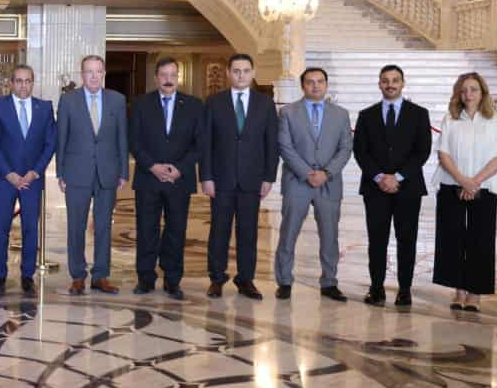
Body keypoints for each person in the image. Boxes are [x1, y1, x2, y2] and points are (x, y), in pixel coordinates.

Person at [432, 72, 497, 312]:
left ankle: (475, 292)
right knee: (451, 238)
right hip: (452, 184)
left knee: (481, 239)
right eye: (464, 90)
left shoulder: (495, 120)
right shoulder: (450, 118)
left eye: (473, 89)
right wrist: (462, 180)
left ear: (482, 93)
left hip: (485, 186)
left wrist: (474, 182)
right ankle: (459, 289)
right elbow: (443, 153)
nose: (468, 94)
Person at [199, 53, 279, 299]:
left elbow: (272, 143)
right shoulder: (214, 102)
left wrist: (269, 177)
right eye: (236, 71)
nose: (241, 75)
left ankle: (246, 280)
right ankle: (216, 278)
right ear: (228, 73)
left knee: (248, 232)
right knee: (219, 231)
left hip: (251, 180)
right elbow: (206, 142)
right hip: (221, 179)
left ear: (253, 73)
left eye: (245, 71)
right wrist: (206, 176)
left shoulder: (265, 104)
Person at [352, 64, 431, 308]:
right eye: (385, 80)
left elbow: (423, 151)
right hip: (375, 188)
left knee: (407, 239)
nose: (390, 84)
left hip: (408, 187)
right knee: (377, 240)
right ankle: (376, 288)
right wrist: (380, 177)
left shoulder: (419, 114)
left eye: (395, 80)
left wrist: (398, 176)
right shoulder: (366, 115)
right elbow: (360, 151)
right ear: (379, 84)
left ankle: (404, 289)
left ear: (402, 83)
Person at [273, 67, 353, 301]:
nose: (315, 86)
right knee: (288, 233)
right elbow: (285, 146)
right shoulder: (288, 112)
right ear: (303, 86)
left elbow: (345, 148)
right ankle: (284, 281)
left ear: (326, 85)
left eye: (320, 81)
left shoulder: (341, 114)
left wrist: (326, 173)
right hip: (297, 181)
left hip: (329, 183)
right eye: (310, 82)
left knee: (330, 235)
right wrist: (307, 173)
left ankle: (329, 282)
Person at [130, 56, 204, 299]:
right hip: (148, 178)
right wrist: (153, 166)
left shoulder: (194, 105)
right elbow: (134, 141)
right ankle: (145, 279)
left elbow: (199, 144)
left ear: (178, 77)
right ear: (156, 78)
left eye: (173, 75)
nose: (168, 80)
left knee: (176, 231)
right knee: (146, 230)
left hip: (179, 180)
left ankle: (173, 280)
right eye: (164, 75)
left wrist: (179, 168)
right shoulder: (141, 104)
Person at [55, 54, 128, 295]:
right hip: (76, 172)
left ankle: (101, 276)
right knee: (76, 226)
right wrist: (61, 172)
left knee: (104, 226)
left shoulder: (117, 100)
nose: (94, 76)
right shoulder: (68, 100)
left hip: (108, 172)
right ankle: (77, 276)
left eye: (98, 71)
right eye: (89, 71)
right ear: (82, 75)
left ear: (104, 74)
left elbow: (122, 138)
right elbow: (61, 138)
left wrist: (123, 171)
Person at [0, 63, 56, 295]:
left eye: (27, 81)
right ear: (11, 83)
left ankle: (27, 275)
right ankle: (0, 276)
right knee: (1, 229)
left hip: (32, 180)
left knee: (30, 229)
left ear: (32, 82)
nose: (23, 85)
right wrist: (9, 173)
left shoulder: (44, 108)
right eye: (19, 81)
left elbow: (50, 144)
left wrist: (35, 172)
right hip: (5, 179)